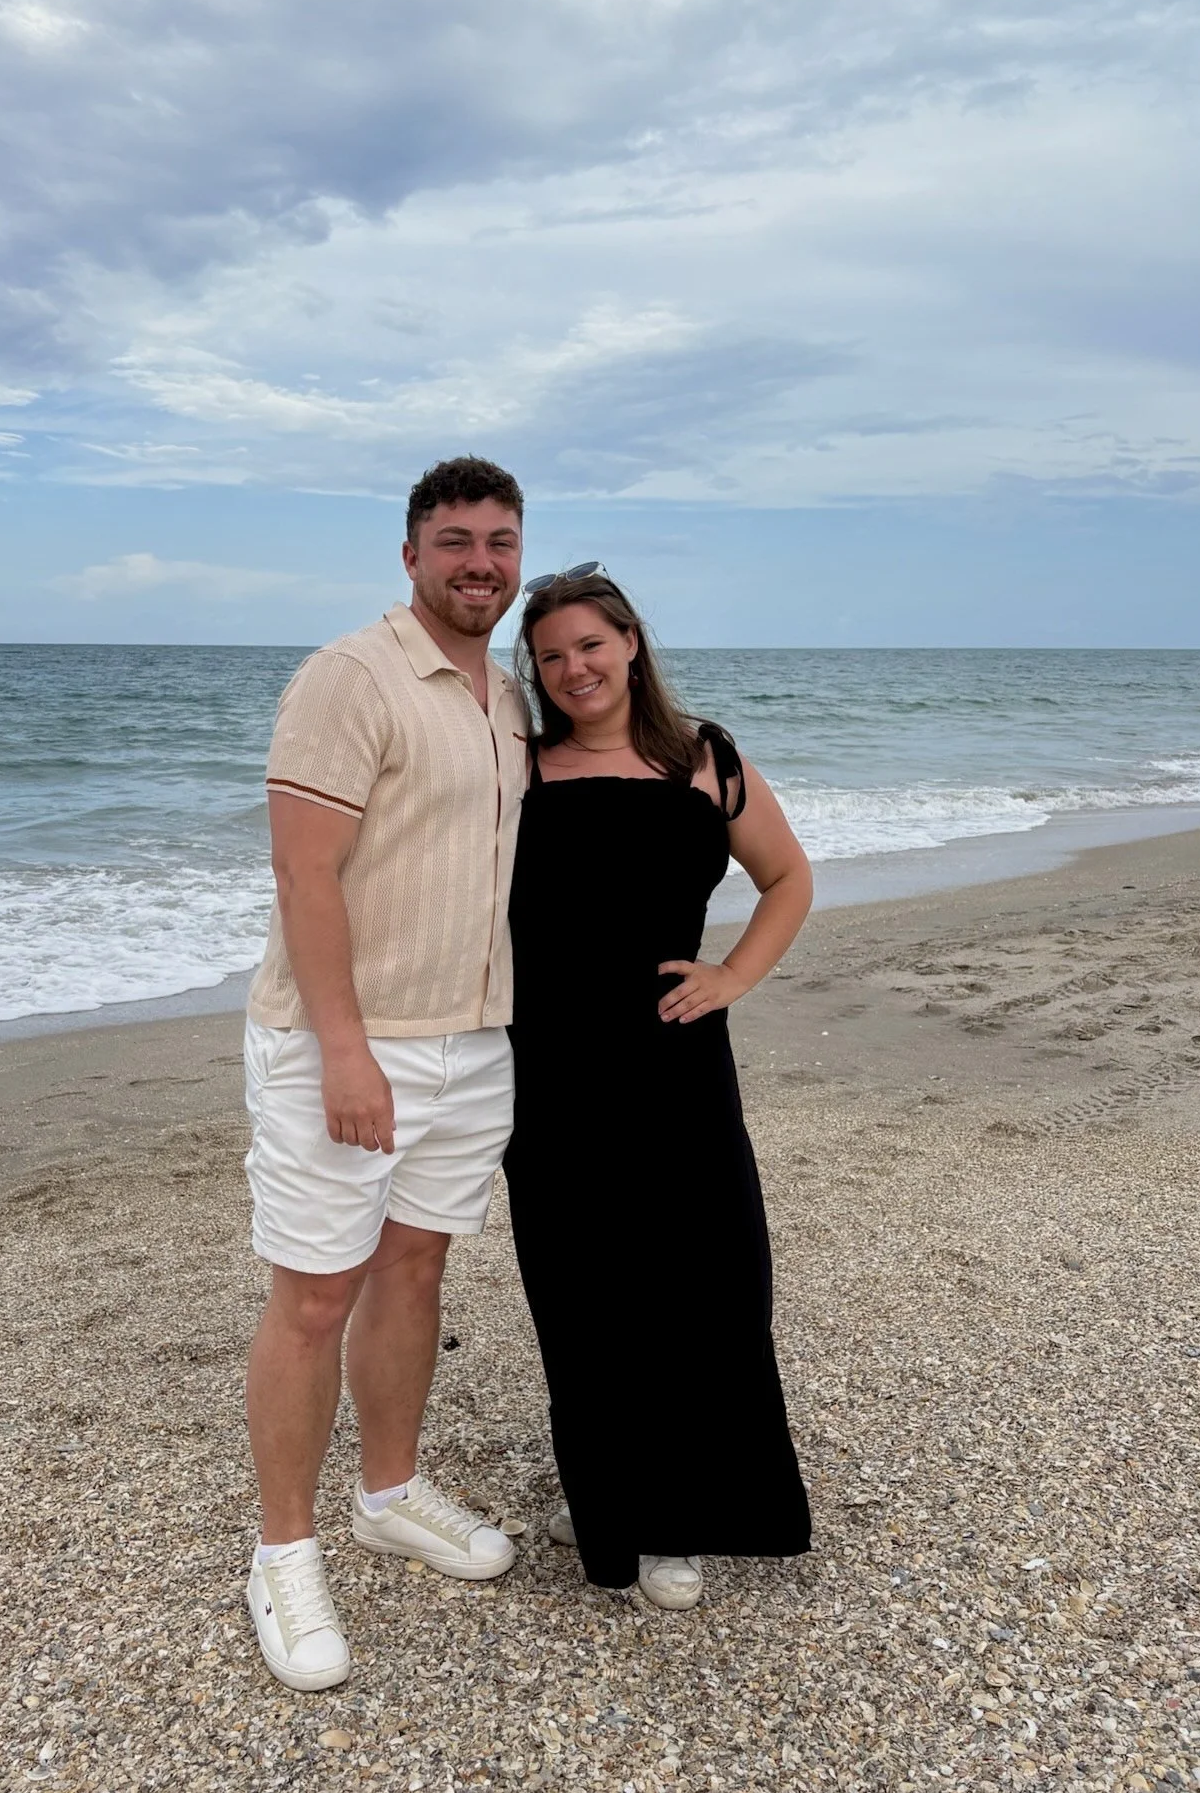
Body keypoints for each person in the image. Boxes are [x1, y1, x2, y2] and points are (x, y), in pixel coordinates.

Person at [241, 458, 530, 1691]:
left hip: (475, 1039)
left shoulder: (506, 698)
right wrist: (347, 1049)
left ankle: (391, 1491)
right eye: (456, 539)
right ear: (409, 555)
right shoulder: (351, 676)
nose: (481, 561)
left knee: (417, 1265)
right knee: (314, 1292)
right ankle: (282, 1555)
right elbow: (305, 874)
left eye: (501, 540)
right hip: (346, 1042)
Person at [505, 566, 814, 1607]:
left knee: (705, 1279)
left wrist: (731, 974)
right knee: (582, 1288)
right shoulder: (520, 766)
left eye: (589, 643)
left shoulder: (703, 759)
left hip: (676, 1064)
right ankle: (608, 1497)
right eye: (550, 653)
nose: (573, 667)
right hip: (548, 1068)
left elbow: (789, 877)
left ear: (631, 642)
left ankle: (679, 1514)